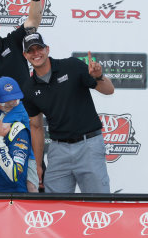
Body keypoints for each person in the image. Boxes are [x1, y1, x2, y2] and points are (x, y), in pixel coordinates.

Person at [20, 33, 115, 193]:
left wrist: (99, 76)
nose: (36, 53)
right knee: (55, 208)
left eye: (39, 48)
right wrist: (37, 164)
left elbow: (109, 90)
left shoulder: (72, 66)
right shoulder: (28, 88)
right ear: (25, 55)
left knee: (100, 206)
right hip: (58, 151)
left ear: (47, 49)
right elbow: (36, 127)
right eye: (31, 51)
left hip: (89, 146)